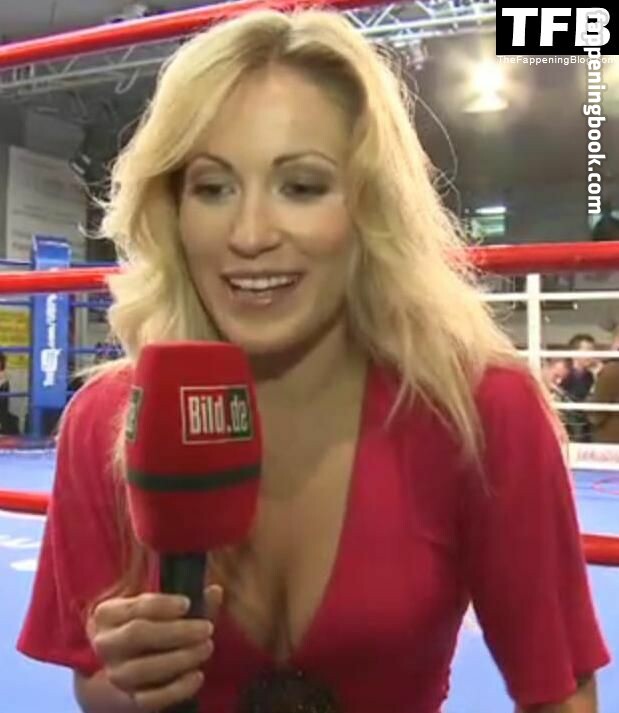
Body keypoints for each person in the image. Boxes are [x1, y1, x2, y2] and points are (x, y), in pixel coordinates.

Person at [17, 9, 609, 713]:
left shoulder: (477, 409)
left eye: (300, 186)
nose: (250, 234)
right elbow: (94, 685)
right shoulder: (108, 420)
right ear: (173, 209)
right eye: (213, 188)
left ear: (368, 206)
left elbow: (559, 696)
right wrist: (134, 679)